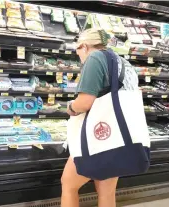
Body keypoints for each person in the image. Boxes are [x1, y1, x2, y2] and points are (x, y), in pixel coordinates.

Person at [61, 28, 139, 207]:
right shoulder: (124, 63)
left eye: (78, 50)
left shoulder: (95, 58)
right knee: (106, 192)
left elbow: (85, 102)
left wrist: (70, 108)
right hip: (117, 138)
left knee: (68, 184)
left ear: (85, 46)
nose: (78, 55)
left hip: (97, 138)